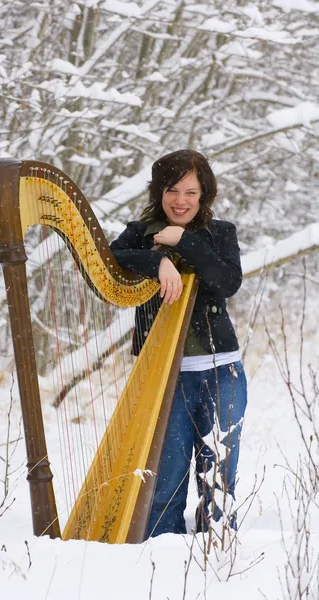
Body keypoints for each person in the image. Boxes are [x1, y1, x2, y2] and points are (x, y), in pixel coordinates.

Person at [110, 149, 247, 537]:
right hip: (163, 378)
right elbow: (113, 259)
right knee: (164, 479)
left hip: (223, 371)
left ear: (204, 194)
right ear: (159, 192)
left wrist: (184, 243)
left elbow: (226, 282)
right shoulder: (140, 234)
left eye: (191, 191)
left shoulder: (220, 234)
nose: (181, 200)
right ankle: (160, 557)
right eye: (172, 190)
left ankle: (216, 556)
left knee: (219, 475)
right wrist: (158, 261)